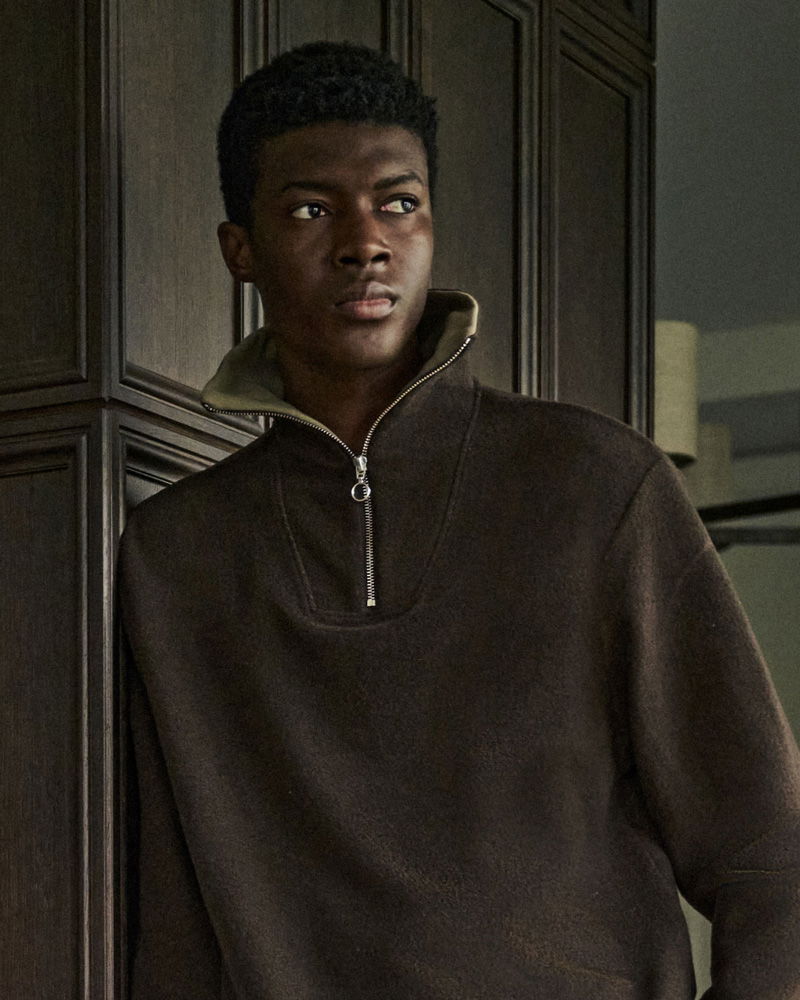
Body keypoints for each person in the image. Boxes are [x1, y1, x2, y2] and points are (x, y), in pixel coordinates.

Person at [119, 41, 800, 1000]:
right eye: (312, 210)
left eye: (399, 203)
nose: (366, 242)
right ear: (241, 250)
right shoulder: (176, 554)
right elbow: (171, 922)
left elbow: (769, 851)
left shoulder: (597, 486)